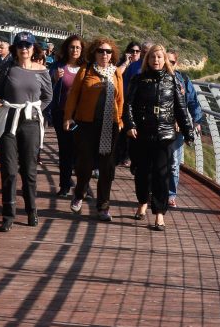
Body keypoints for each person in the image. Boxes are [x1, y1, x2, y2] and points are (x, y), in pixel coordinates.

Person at [123, 44, 193, 231]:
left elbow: (181, 108)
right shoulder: (138, 80)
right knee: (143, 173)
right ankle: (142, 203)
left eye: (160, 57)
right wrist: (130, 125)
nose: (156, 60)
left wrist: (188, 132)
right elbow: (128, 105)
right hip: (142, 134)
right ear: (148, 59)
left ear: (165, 60)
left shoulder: (172, 81)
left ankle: (159, 215)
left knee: (162, 175)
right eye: (153, 57)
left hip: (165, 135)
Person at [0, 31, 52, 232]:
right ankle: (8, 215)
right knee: (9, 170)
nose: (24, 49)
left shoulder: (42, 71)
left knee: (29, 170)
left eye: (28, 45)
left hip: (30, 124)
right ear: (16, 49)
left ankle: (32, 210)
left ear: (33, 49)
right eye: (21, 46)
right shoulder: (8, 68)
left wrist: (33, 110)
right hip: (8, 121)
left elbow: (48, 97)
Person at [63, 38, 124, 222]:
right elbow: (73, 94)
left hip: (109, 126)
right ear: (93, 53)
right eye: (100, 51)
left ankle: (103, 206)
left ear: (112, 54)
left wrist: (119, 121)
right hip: (86, 124)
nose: (104, 55)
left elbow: (120, 99)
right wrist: (68, 116)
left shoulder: (116, 73)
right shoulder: (86, 70)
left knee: (106, 167)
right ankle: (80, 193)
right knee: (85, 164)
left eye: (108, 52)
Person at [48, 35, 86, 198]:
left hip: (82, 115)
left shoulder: (87, 67)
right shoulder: (57, 66)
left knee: (81, 152)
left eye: (78, 47)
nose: (75, 50)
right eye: (72, 47)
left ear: (82, 50)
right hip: (61, 113)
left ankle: (82, 187)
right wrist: (54, 78)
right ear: (67, 49)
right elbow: (46, 86)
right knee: (65, 150)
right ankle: (64, 185)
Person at [166, 49, 204, 207]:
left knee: (174, 162)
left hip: (177, 128)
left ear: (177, 63)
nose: (168, 65)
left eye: (172, 62)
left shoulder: (184, 80)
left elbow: (193, 101)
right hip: (157, 127)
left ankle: (170, 195)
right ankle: (154, 190)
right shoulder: (154, 78)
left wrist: (197, 120)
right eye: (166, 61)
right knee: (157, 161)